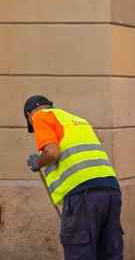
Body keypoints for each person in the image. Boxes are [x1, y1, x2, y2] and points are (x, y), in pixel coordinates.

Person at [23, 95, 123, 260]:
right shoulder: (77, 120)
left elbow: (53, 152)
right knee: (110, 253)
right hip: (110, 190)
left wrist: (38, 162)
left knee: (80, 253)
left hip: (83, 195)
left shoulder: (40, 116)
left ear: (28, 115)